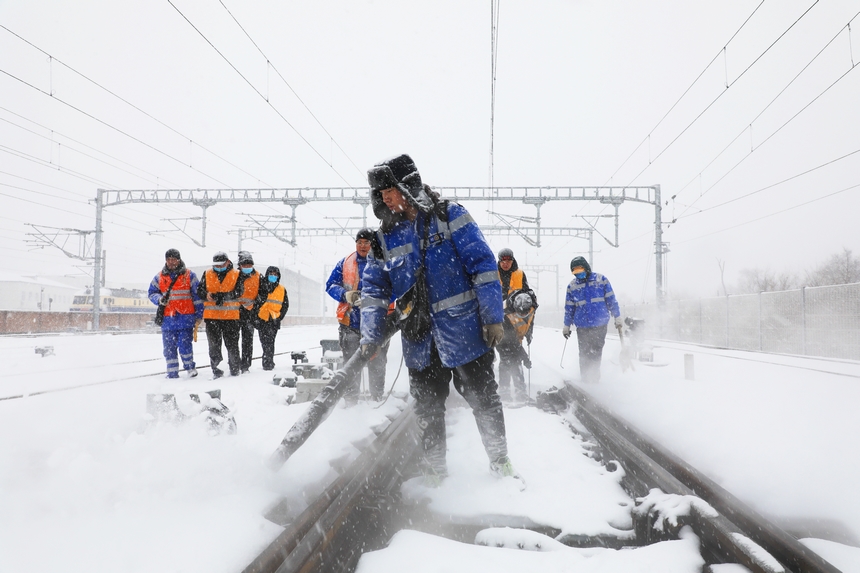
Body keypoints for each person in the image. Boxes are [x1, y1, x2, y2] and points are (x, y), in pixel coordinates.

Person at [360, 153, 521, 487]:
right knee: (428, 409)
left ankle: (500, 462)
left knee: (484, 400)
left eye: (390, 189)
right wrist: (370, 335)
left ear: (409, 186)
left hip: (465, 334)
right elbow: (374, 289)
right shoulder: (385, 237)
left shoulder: (450, 217)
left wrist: (492, 317)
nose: (386, 197)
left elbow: (483, 265)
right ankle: (435, 470)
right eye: (381, 193)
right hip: (419, 340)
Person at [326, 228, 391, 402]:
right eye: (359, 242)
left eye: (367, 242)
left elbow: (395, 288)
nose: (362, 246)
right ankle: (351, 403)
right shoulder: (345, 263)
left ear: (373, 244)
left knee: (377, 364)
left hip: (378, 324)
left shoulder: (383, 262)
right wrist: (345, 295)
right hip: (351, 323)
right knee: (351, 365)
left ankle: (377, 400)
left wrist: (374, 300)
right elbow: (330, 285)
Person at [562, 256, 622, 383]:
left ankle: (594, 379)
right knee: (584, 353)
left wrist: (617, 316)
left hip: (599, 324)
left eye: (580, 270)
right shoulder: (572, 286)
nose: (578, 274)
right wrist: (566, 325)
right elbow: (569, 308)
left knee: (595, 351)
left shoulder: (601, 280)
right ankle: (585, 379)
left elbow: (611, 300)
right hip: (582, 326)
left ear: (586, 268)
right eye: (575, 272)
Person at [148, 248, 203, 379]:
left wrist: (199, 314)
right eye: (169, 259)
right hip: (168, 320)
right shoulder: (159, 277)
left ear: (179, 260)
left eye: (174, 259)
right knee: (169, 349)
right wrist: (159, 299)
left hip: (185, 318)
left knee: (185, 347)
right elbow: (151, 293)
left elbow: (197, 296)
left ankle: (190, 368)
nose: (171, 262)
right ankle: (172, 373)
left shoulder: (190, 276)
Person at [495, 249, 538, 402]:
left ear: (513, 261)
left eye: (508, 260)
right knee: (507, 357)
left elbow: (530, 308)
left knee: (513, 357)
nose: (506, 263)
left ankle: (517, 392)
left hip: (516, 321)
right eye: (503, 261)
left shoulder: (520, 275)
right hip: (499, 321)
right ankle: (508, 392)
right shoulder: (492, 274)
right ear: (499, 261)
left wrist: (529, 332)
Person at [197, 251, 242, 379]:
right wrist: (207, 294)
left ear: (228, 262)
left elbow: (240, 291)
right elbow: (199, 290)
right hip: (212, 317)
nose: (218, 268)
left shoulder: (237, 274)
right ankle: (217, 370)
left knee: (232, 345)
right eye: (216, 265)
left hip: (231, 317)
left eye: (221, 265)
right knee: (214, 346)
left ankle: (234, 370)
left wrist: (224, 295)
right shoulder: (207, 273)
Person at [255, 266, 289, 371]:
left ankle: (268, 362)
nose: (273, 276)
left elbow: (285, 305)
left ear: (278, 276)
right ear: (267, 274)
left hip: (274, 320)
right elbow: (255, 302)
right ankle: (267, 361)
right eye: (271, 274)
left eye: (275, 274)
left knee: (270, 341)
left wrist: (279, 317)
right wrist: (256, 317)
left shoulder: (282, 289)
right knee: (264, 341)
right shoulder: (261, 287)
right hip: (262, 318)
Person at [236, 250, 261, 374]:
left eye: (249, 265)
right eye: (244, 265)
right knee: (233, 340)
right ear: (239, 265)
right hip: (235, 312)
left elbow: (262, 294)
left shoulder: (258, 276)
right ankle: (234, 363)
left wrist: (255, 306)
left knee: (247, 340)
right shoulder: (234, 276)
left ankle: (245, 365)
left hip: (250, 312)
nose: (247, 267)